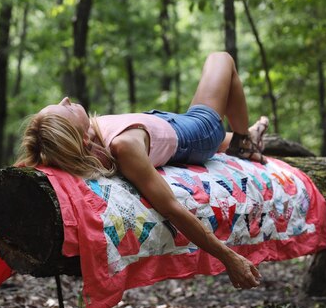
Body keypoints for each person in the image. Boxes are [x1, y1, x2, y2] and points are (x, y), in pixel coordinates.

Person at [16, 52, 269, 291]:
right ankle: (243, 141)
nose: (66, 100)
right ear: (81, 138)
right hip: (198, 132)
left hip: (166, 124)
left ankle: (242, 138)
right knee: (221, 58)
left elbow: (37, 157)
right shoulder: (123, 146)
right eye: (66, 109)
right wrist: (229, 257)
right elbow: (172, 208)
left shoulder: (80, 148)